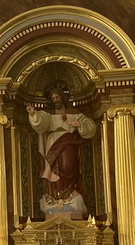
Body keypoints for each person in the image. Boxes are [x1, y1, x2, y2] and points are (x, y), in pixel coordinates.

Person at [26, 86, 96, 216]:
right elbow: (40, 123)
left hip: (69, 141)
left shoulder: (74, 112)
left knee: (68, 166)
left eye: (57, 97)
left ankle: (69, 194)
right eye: (53, 98)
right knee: (54, 170)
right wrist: (33, 114)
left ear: (63, 98)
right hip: (53, 143)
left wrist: (79, 124)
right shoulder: (49, 114)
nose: (55, 100)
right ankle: (56, 196)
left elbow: (90, 126)